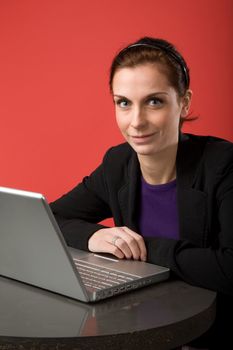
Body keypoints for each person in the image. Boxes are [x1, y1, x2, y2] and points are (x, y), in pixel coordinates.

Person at [50, 37, 233, 349]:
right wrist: (95, 237)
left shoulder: (222, 164)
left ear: (184, 103)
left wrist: (145, 249)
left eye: (154, 101)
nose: (136, 122)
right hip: (137, 331)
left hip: (207, 334)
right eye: (124, 102)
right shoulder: (117, 163)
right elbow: (53, 217)